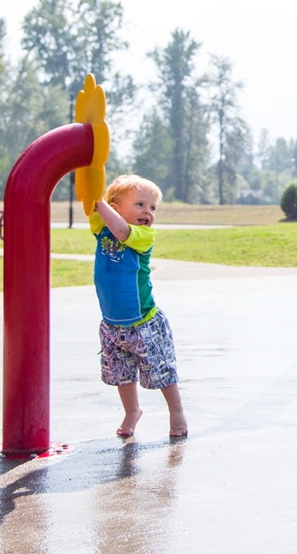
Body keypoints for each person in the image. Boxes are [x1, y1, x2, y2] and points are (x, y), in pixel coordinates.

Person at [91, 174, 188, 438]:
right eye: (140, 204)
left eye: (152, 208)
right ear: (114, 207)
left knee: (162, 370)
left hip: (145, 323)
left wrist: (99, 204)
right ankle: (132, 411)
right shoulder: (101, 228)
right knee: (122, 374)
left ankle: (176, 411)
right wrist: (93, 193)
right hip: (112, 325)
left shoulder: (143, 235)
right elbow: (94, 209)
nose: (148, 212)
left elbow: (121, 231)